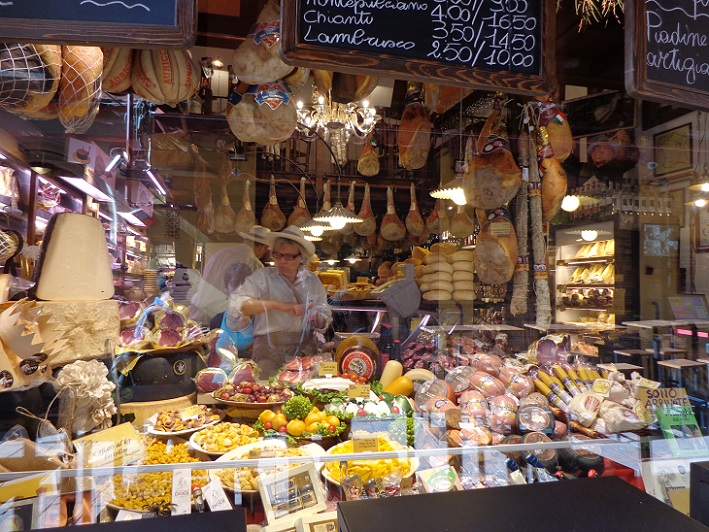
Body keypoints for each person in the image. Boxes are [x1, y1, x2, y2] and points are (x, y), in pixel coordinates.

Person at [228, 225, 332, 377]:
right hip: (269, 354)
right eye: (277, 255)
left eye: (289, 256)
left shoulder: (312, 281)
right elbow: (239, 304)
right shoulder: (262, 277)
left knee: (304, 396)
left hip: (305, 352)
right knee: (269, 394)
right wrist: (279, 306)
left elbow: (325, 317)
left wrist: (316, 317)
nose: (282, 261)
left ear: (301, 257)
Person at [189, 225, 271, 325]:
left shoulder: (219, 254)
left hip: (198, 316)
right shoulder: (255, 265)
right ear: (263, 247)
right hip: (223, 321)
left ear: (245, 240)